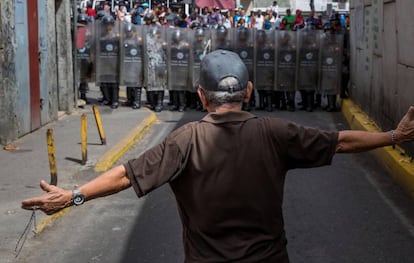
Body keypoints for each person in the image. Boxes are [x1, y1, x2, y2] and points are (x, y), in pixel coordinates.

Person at [21, 49, 414, 262]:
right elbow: (341, 141)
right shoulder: (276, 132)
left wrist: (71, 197)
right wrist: (395, 134)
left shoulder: (185, 140)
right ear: (248, 91)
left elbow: (126, 175)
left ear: (201, 96)